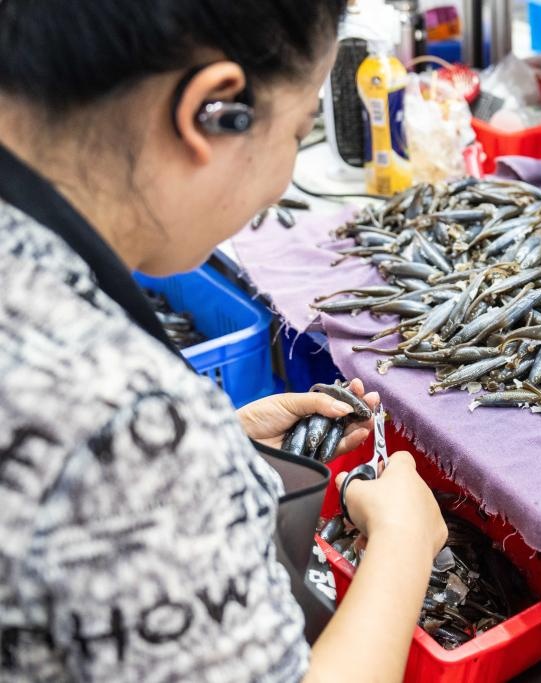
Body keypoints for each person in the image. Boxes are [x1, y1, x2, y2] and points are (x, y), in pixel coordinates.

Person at [0, 1, 447, 681]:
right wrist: (405, 546)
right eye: (299, 130)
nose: (278, 186)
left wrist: (225, 449)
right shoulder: (125, 417)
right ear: (214, 110)